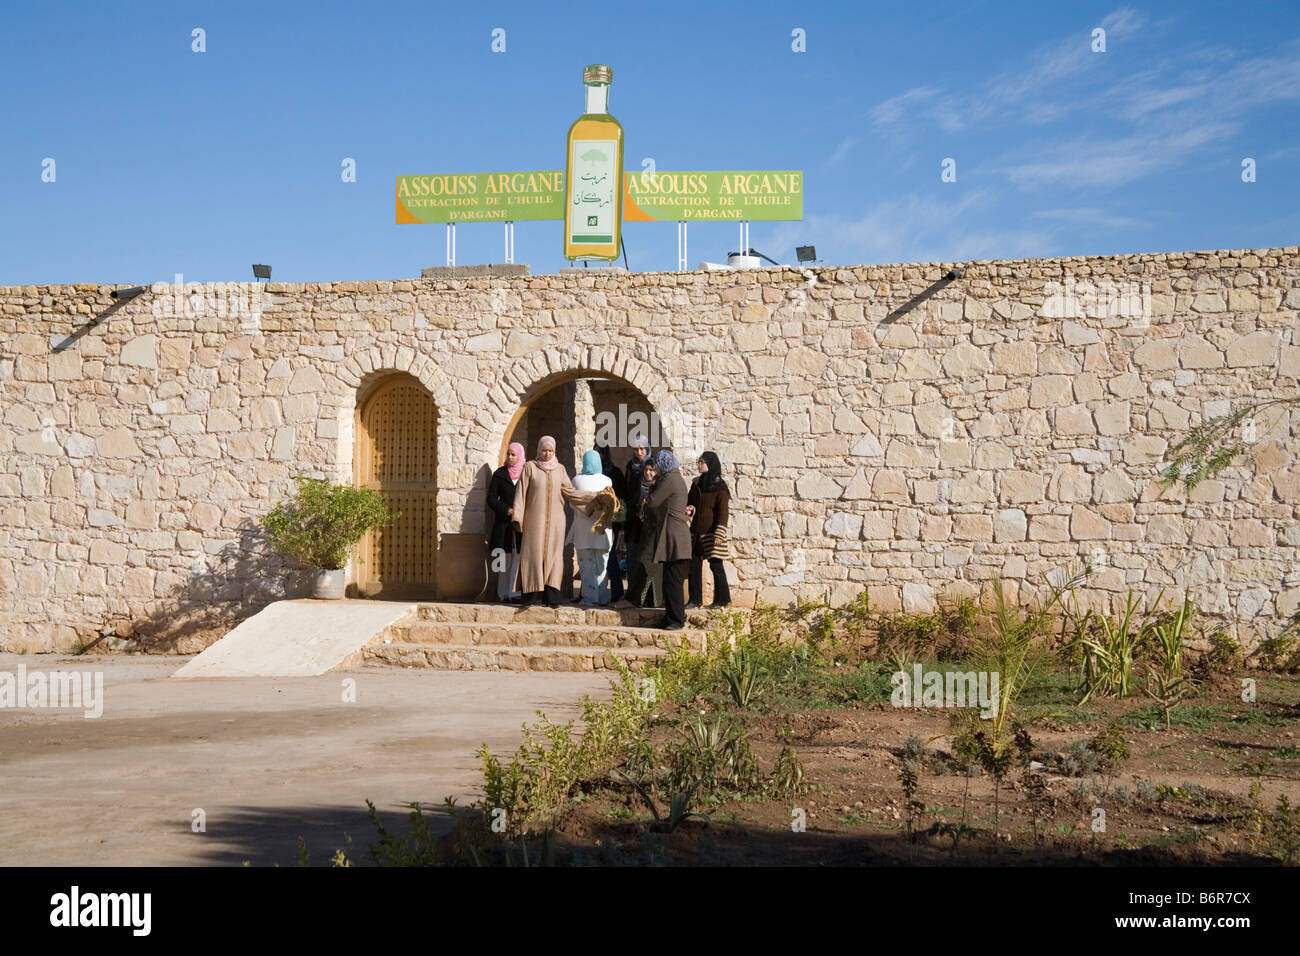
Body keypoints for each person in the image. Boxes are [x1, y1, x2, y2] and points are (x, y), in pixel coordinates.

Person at [512, 436, 582, 608]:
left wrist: (592, 500)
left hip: (557, 522)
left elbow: (570, 492)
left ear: (554, 451)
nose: (547, 454)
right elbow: (521, 493)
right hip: (534, 520)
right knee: (533, 555)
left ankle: (552, 598)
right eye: (544, 450)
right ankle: (529, 597)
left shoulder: (560, 469)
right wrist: (517, 517)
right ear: (539, 449)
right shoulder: (530, 467)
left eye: (550, 451)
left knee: (554, 557)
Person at [643, 450, 691, 630]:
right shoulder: (674, 477)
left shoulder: (670, 479)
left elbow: (653, 501)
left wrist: (649, 491)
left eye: (657, 465)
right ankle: (671, 616)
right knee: (670, 579)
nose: (655, 469)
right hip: (674, 534)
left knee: (673, 581)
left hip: (674, 536)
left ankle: (676, 620)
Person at [566, 450, 614, 606]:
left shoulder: (576, 480)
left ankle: (589, 598)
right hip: (602, 530)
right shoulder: (607, 481)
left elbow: (573, 504)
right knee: (602, 566)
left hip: (582, 531)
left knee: (586, 567)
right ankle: (602, 598)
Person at [686, 450, 732, 609]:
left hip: (712, 534)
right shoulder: (697, 483)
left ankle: (722, 600)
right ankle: (695, 600)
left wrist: (719, 534)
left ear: (710, 464)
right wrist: (690, 509)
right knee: (693, 565)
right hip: (696, 533)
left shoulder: (720, 486)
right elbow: (690, 501)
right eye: (698, 462)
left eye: (702, 462)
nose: (699, 465)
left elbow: (723, 512)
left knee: (716, 566)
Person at [486, 442, 525, 602]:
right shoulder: (500, 474)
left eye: (513, 454)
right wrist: (506, 510)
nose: (510, 457)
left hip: (520, 524)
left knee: (518, 557)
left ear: (520, 456)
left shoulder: (526, 473)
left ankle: (514, 592)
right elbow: (491, 498)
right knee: (503, 558)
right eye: (508, 454)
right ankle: (503, 594)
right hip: (504, 524)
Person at [627, 460, 662, 607]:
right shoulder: (639, 486)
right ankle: (641, 598)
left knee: (651, 566)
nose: (648, 473)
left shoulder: (659, 488)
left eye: (651, 470)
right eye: (646, 470)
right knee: (640, 563)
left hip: (655, 533)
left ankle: (652, 600)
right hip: (640, 531)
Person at [596, 444, 627, 603]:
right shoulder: (592, 473)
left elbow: (621, 498)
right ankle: (591, 592)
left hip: (611, 522)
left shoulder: (613, 473)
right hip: (595, 520)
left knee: (610, 556)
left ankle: (616, 591)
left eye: (599, 452)